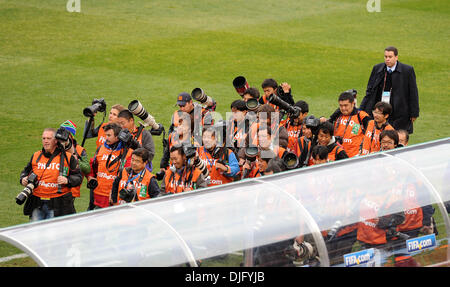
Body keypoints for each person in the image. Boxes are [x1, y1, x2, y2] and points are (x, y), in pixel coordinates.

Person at [19, 128, 82, 221]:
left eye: (49, 138)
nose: (46, 141)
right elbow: (25, 171)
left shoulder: (68, 157)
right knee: (35, 233)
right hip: (37, 203)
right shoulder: (36, 156)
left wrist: (67, 180)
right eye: (44, 138)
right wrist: (23, 178)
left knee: (54, 234)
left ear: (56, 141)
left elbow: (78, 177)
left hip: (57, 204)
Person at [361, 46, 419, 134]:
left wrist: (414, 113)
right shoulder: (377, 68)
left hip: (399, 111)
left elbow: (413, 92)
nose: (387, 59)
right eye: (385, 57)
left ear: (396, 57)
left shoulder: (407, 70)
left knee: (397, 137)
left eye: (390, 57)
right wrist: (362, 109)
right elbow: (369, 90)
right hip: (381, 110)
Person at [88, 123, 127, 209]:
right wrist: (90, 177)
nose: (106, 138)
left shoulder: (126, 152)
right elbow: (93, 165)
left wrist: (114, 192)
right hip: (98, 195)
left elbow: (127, 175)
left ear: (117, 137)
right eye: (106, 135)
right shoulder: (100, 148)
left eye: (109, 135)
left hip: (114, 198)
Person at [322, 91, 371, 158]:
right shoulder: (337, 114)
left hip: (355, 157)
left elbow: (372, 131)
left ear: (353, 104)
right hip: (338, 156)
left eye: (346, 105)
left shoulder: (362, 116)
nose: (343, 108)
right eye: (341, 106)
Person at [59, 120, 90, 201]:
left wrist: (75, 160)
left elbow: (87, 169)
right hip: (54, 188)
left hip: (71, 191)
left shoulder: (80, 150)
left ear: (70, 136)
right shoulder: (54, 147)